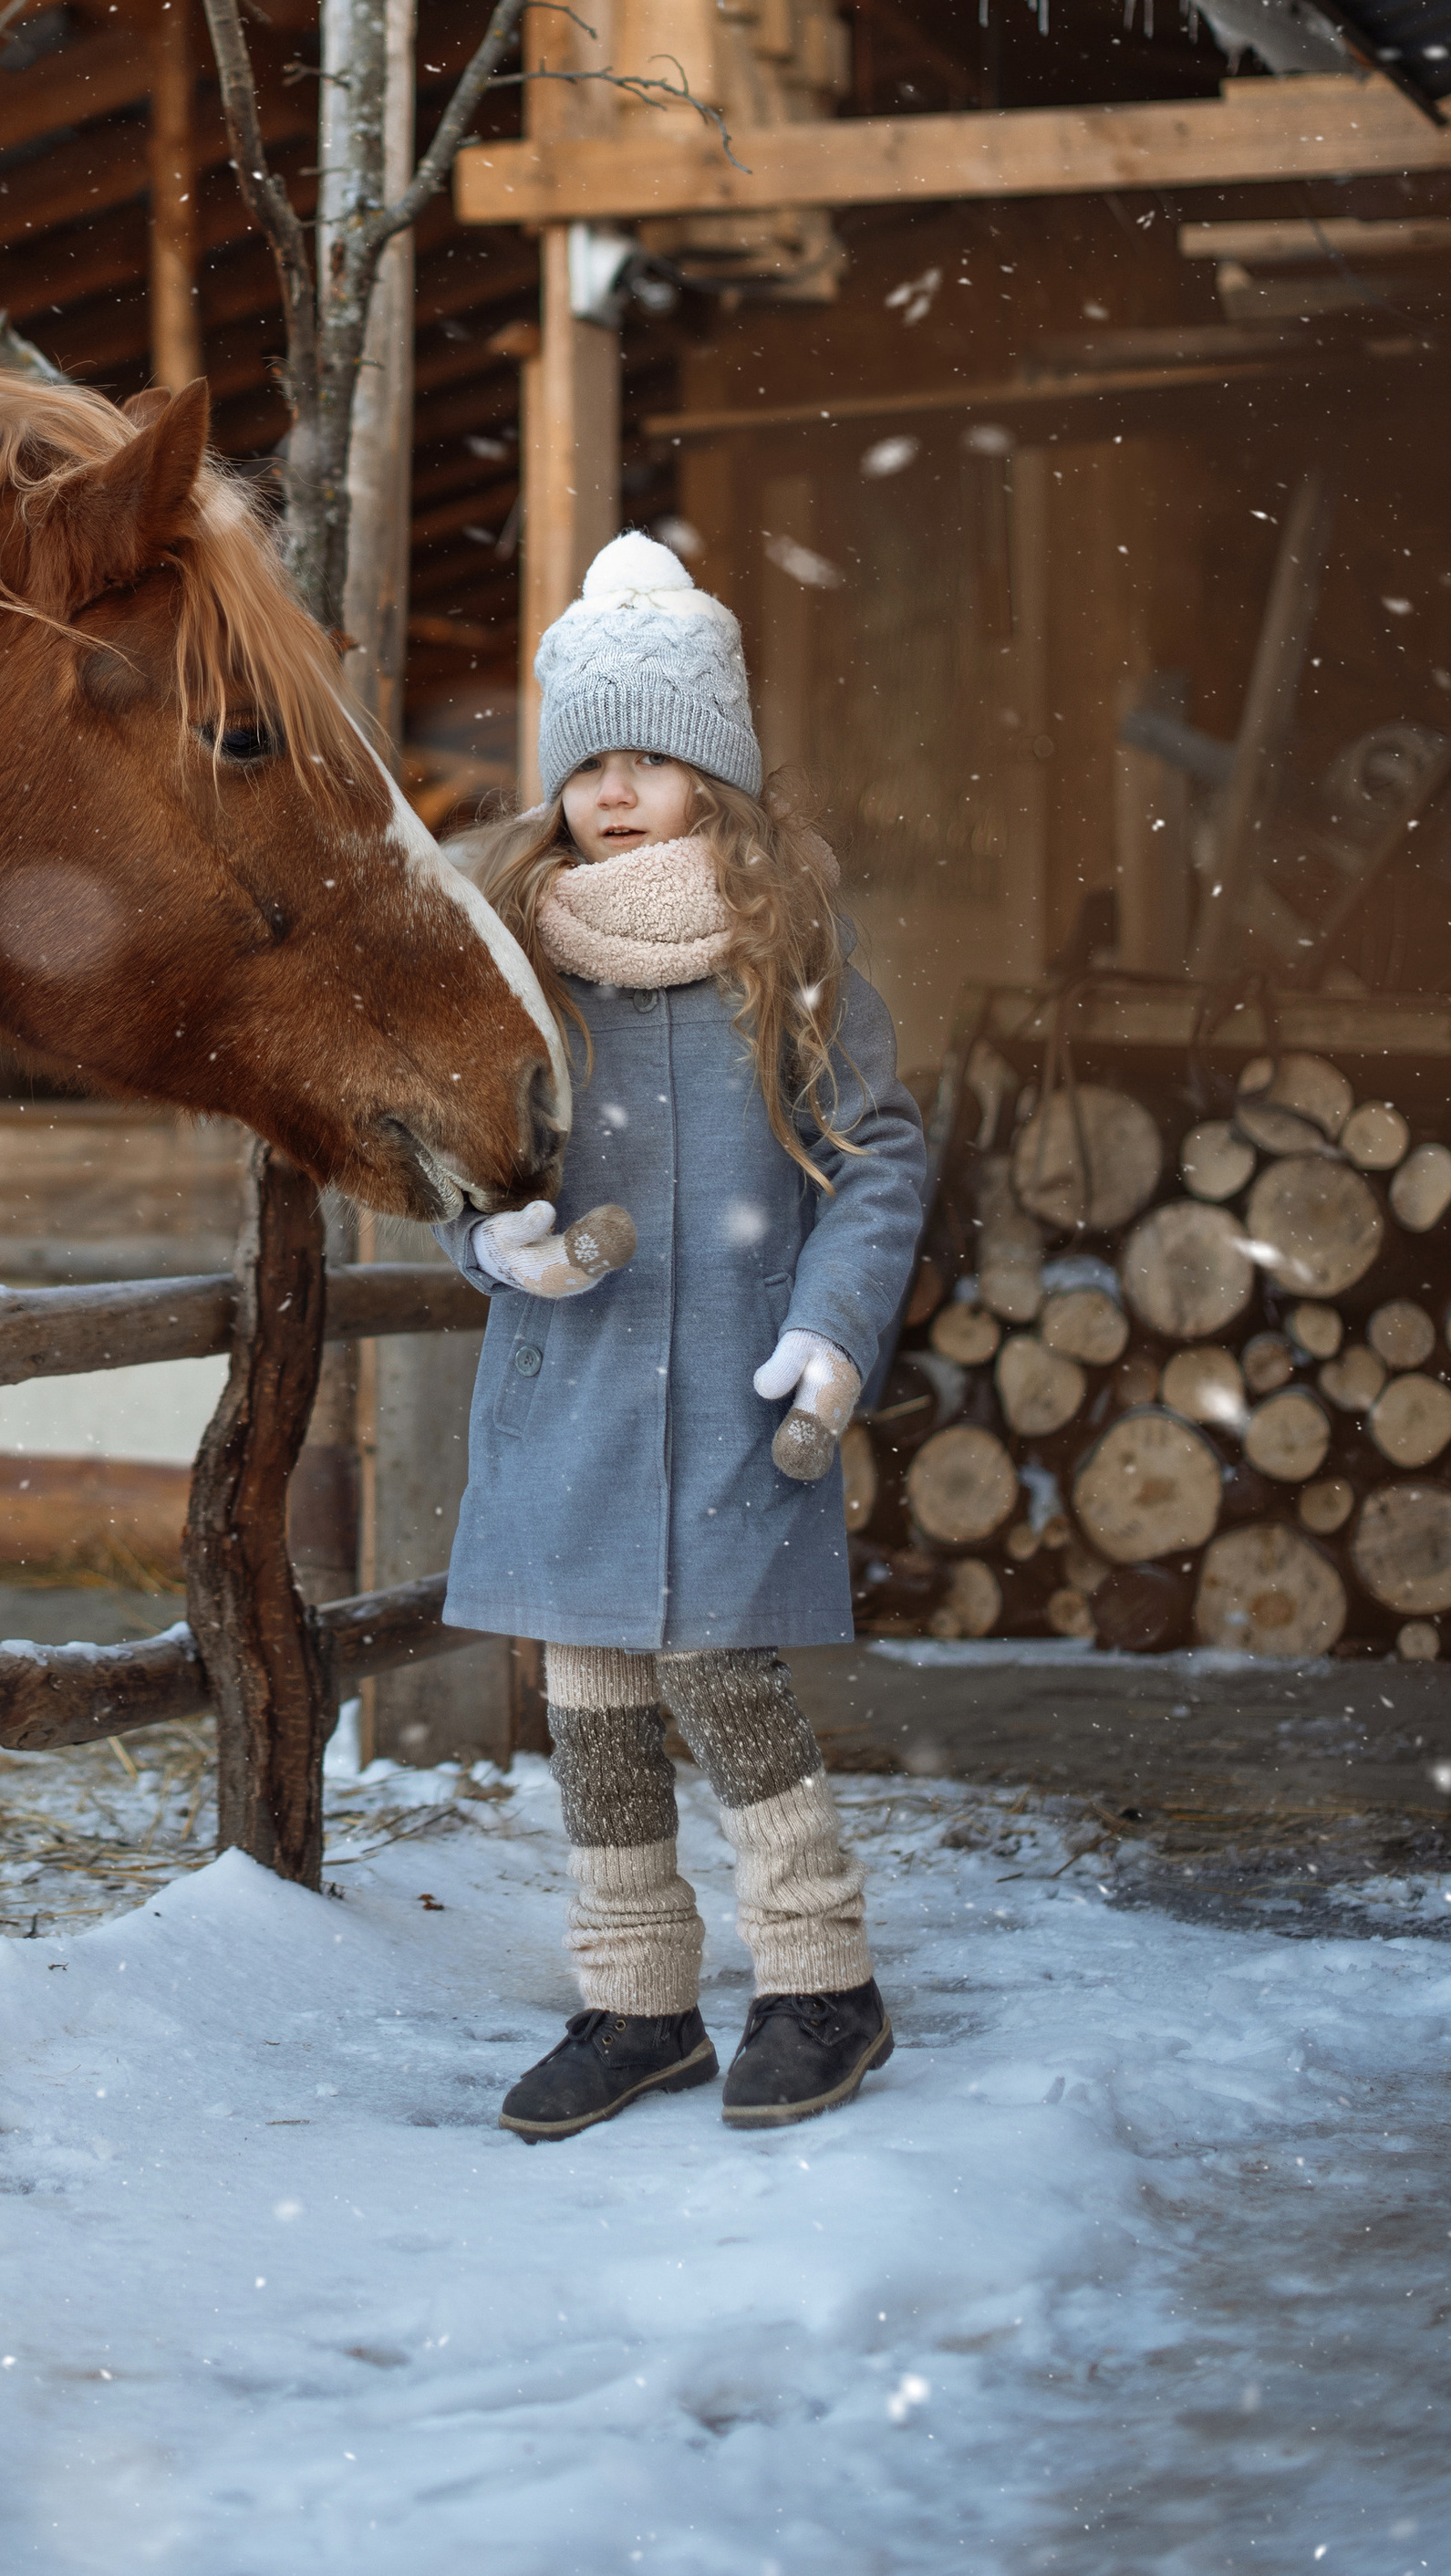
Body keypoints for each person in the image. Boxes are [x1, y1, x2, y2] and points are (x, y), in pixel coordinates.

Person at [436, 532, 928, 2142]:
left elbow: (878, 1158)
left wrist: (833, 1330)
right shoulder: (513, 962)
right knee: (589, 1696)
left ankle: (822, 1977)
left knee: (725, 1679)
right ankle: (637, 2003)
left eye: (652, 756)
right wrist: (490, 1234)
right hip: (569, 1392)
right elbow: (464, 1152)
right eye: (590, 760)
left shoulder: (786, 960)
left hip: (733, 1383)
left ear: (711, 770)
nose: (617, 789)